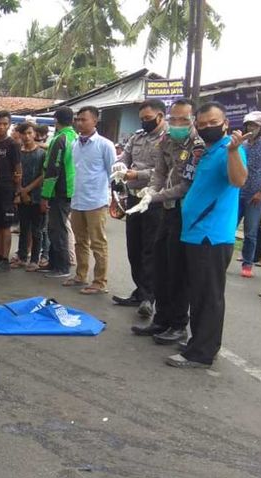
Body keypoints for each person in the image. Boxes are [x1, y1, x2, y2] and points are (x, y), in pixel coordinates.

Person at [166, 101, 248, 369]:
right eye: (202, 125)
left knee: (208, 296)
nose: (208, 128)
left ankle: (202, 353)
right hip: (195, 233)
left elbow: (238, 180)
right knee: (198, 293)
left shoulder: (229, 150)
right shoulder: (208, 151)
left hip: (210, 236)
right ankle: (199, 341)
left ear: (225, 124)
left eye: (214, 123)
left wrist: (234, 151)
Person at [127, 98, 204, 345]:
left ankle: (178, 324)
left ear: (193, 120)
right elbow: (159, 172)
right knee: (160, 265)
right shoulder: (167, 139)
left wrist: (154, 196)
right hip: (167, 210)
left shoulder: (197, 146)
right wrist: (150, 191)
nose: (178, 123)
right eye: (175, 119)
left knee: (177, 270)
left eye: (184, 119)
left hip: (186, 212)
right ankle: (161, 319)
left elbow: (185, 185)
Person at [110, 99, 167, 317]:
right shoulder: (137, 136)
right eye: (142, 118)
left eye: (148, 118)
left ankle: (149, 297)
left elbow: (165, 171)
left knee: (150, 250)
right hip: (133, 198)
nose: (144, 122)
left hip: (153, 200)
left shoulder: (167, 139)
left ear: (160, 117)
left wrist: (138, 174)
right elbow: (125, 158)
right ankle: (139, 290)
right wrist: (120, 167)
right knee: (133, 247)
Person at [63, 106, 116, 294]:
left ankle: (100, 282)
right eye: (77, 119)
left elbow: (113, 174)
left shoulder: (105, 145)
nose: (79, 122)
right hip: (77, 200)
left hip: (96, 202)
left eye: (83, 119)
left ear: (95, 121)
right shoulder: (75, 144)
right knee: (80, 241)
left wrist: (113, 200)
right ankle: (80, 275)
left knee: (98, 243)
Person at [40, 106, 77, 279]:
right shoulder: (74, 137)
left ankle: (61, 267)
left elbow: (53, 169)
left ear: (56, 120)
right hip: (69, 189)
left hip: (59, 191)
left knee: (57, 229)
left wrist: (45, 195)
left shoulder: (60, 139)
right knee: (56, 227)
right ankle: (54, 263)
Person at [237, 111, 261, 278]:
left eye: (255, 126)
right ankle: (223, 259)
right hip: (237, 192)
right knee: (229, 227)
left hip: (255, 195)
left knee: (250, 232)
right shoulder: (242, 144)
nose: (251, 128)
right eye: (249, 125)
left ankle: (247, 263)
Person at [0, 111, 22, 271]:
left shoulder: (13, 145)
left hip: (7, 190)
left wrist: (17, 192)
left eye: (5, 124)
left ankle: (4, 258)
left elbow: (18, 169)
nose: (2, 127)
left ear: (9, 125)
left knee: (5, 226)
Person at [12, 122, 45, 271]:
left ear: (35, 134)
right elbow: (17, 173)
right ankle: (22, 257)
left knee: (37, 230)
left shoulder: (42, 153)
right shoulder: (19, 152)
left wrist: (27, 190)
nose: (27, 136)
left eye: (29, 133)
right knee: (24, 227)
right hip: (22, 194)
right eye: (24, 133)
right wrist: (20, 191)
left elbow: (43, 176)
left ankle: (34, 259)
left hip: (37, 195)